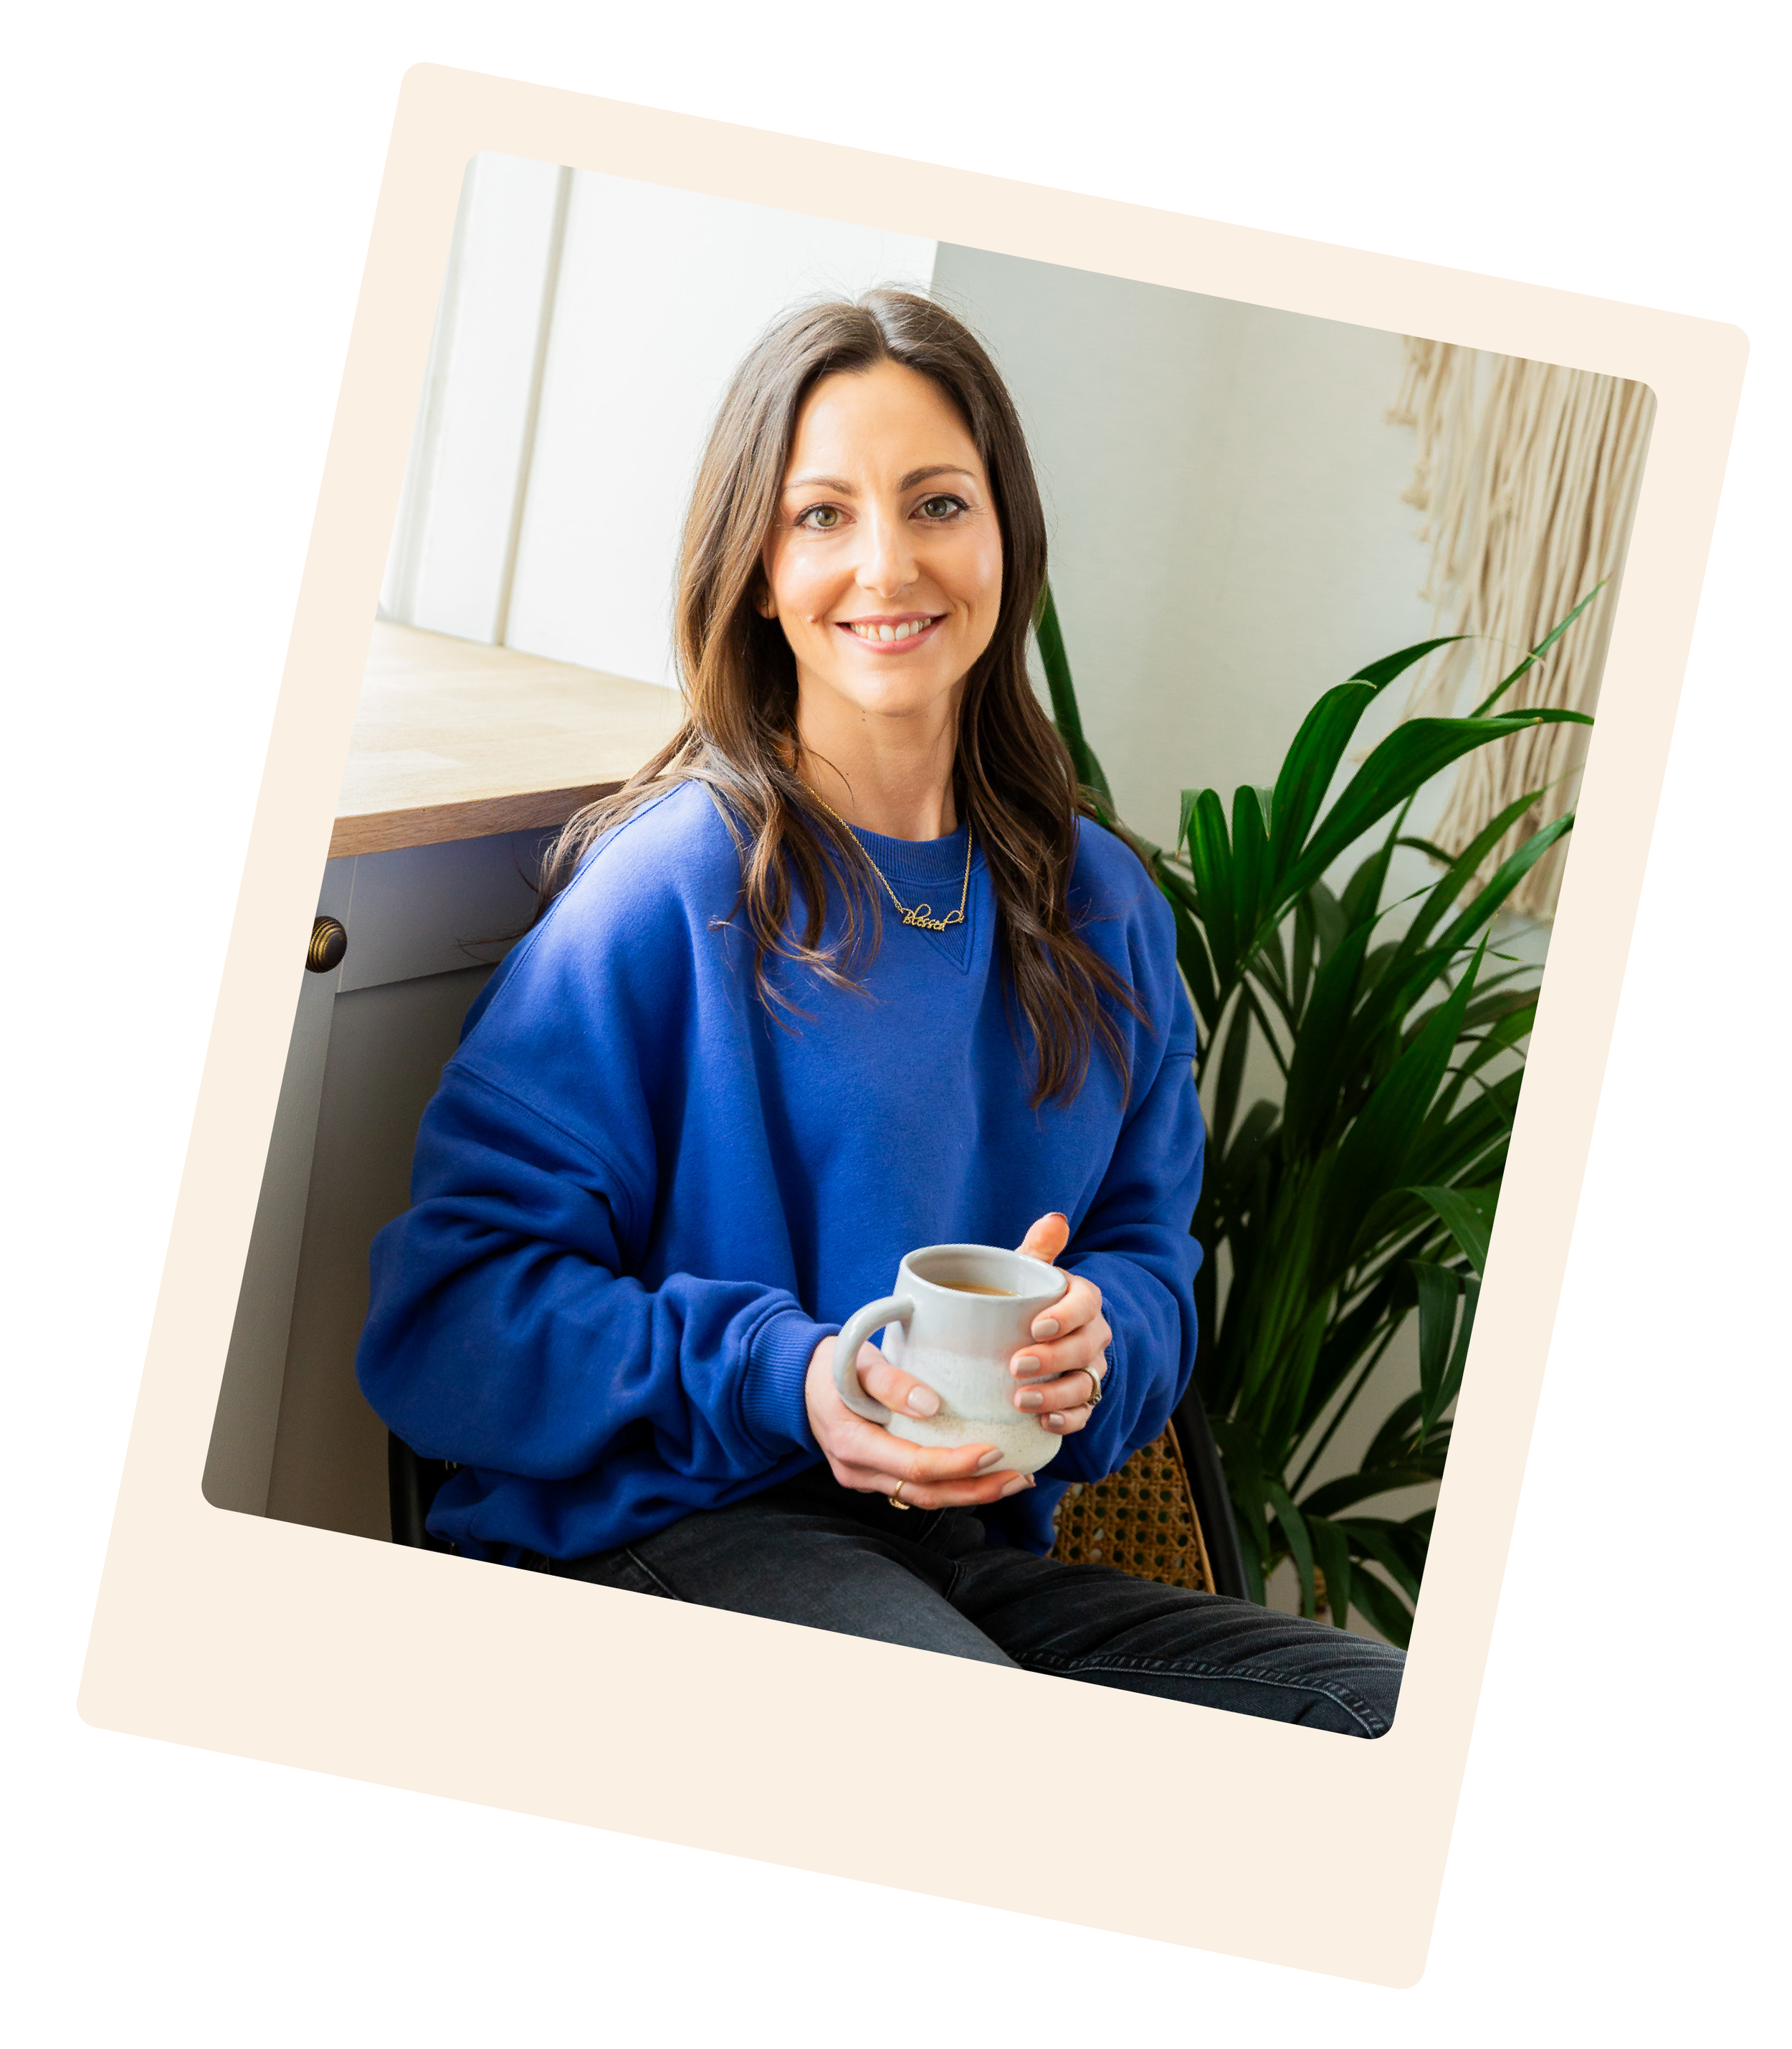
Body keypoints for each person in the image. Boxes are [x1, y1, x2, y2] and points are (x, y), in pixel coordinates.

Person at [356, 289, 1404, 1737]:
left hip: (961, 1560)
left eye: (934, 503)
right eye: (822, 516)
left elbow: (1145, 1262)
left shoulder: (1101, 908)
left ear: (1003, 537)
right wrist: (795, 1377)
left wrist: (1098, 1348)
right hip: (654, 1531)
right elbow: (449, 1313)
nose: (886, 562)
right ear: (759, 569)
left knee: (1401, 1724)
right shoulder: (668, 889)